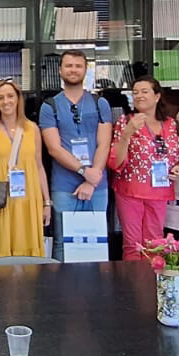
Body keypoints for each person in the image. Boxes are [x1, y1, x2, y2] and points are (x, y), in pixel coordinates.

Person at [38, 50, 114, 261]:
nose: (73, 70)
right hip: (64, 185)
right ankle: (63, 283)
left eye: (78, 66)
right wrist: (83, 171)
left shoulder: (100, 104)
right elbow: (54, 148)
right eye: (69, 66)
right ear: (60, 70)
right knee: (64, 243)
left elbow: (104, 143)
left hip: (97, 185)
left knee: (96, 241)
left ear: (86, 70)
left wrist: (92, 179)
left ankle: (95, 283)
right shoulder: (50, 106)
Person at [0, 79, 50, 262]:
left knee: (26, 252)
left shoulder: (32, 129)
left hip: (28, 200)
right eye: (1, 98)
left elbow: (39, 166)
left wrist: (47, 202)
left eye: (10, 96)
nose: (6, 101)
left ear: (18, 99)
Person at [109, 77, 179, 261]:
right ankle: (133, 278)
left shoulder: (173, 125)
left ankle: (152, 278)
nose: (139, 96)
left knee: (156, 243)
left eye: (144, 91)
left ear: (157, 96)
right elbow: (115, 162)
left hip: (160, 190)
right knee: (132, 244)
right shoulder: (125, 122)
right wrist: (127, 133)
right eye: (135, 92)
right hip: (130, 190)